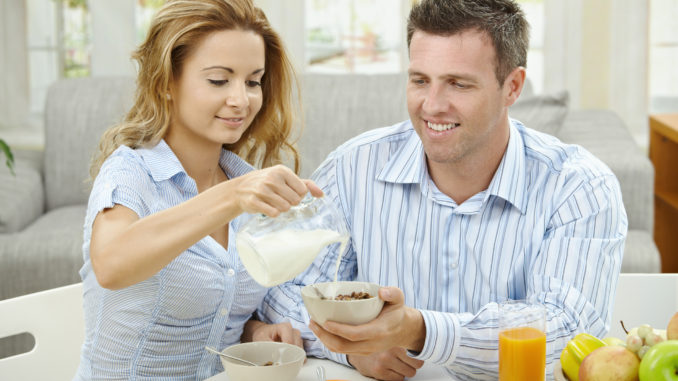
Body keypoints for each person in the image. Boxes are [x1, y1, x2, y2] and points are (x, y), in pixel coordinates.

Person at [260, 0, 627, 380]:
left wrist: (418, 330)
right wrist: (354, 351)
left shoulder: (579, 187)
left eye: (458, 83)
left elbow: (567, 336)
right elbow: (282, 295)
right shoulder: (353, 168)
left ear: (512, 87)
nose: (431, 106)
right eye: (420, 80)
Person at [74, 0, 323, 379]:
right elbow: (110, 264)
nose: (241, 100)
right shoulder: (130, 173)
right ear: (166, 83)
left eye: (253, 81)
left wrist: (255, 330)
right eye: (219, 80)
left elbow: (221, 310)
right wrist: (232, 197)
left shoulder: (242, 179)